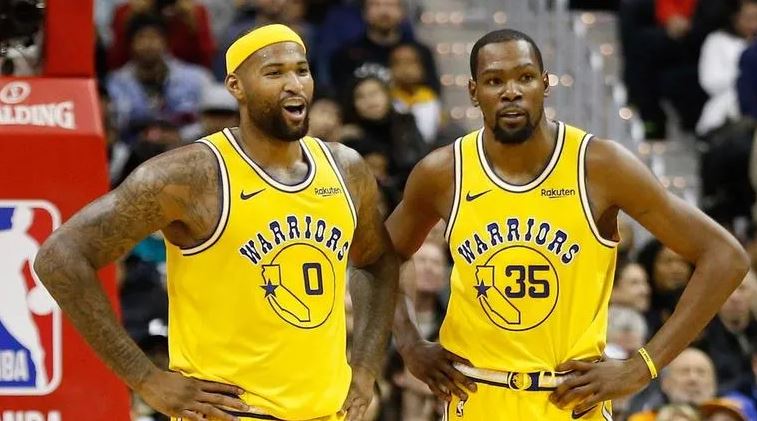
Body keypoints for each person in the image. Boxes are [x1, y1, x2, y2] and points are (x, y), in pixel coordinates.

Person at [34, 24, 398, 421]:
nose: (294, 84)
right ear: (236, 87)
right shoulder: (190, 176)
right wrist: (145, 378)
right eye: (274, 73)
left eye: (301, 70)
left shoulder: (346, 168)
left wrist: (365, 367)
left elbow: (377, 262)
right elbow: (60, 257)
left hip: (326, 413)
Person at [385, 28, 749, 420]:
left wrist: (642, 367)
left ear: (545, 84)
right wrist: (409, 344)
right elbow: (379, 257)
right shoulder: (444, 172)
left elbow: (725, 257)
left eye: (525, 77)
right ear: (474, 92)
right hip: (476, 397)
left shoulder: (600, 166)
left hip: (569, 401)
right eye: (494, 81)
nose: (511, 91)